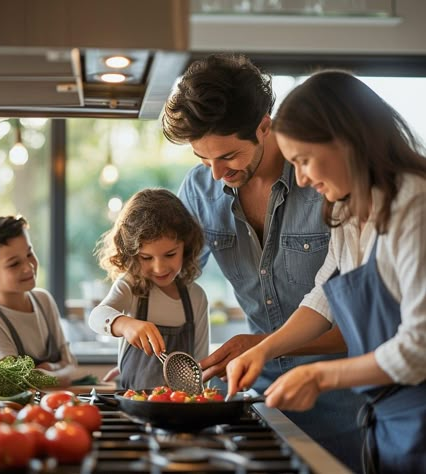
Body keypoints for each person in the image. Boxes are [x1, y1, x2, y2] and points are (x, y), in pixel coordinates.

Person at [162, 53, 365, 471]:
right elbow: (167, 278)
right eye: (203, 159)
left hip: (345, 403)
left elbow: (357, 319)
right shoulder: (200, 189)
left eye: (229, 156)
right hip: (255, 397)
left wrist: (262, 345)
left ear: (264, 126)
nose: (216, 173)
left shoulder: (326, 182)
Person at [226, 70, 426, 474]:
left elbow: (419, 347)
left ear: (346, 141)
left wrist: (320, 376)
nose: (300, 178)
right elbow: (323, 296)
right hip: (390, 422)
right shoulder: (348, 210)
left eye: (303, 160)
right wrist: (264, 349)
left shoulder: (415, 206)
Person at [88, 188, 210, 390]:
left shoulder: (195, 297)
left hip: (182, 409)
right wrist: (125, 325)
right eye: (147, 258)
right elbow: (96, 317)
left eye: (170, 255)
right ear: (131, 254)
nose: (159, 267)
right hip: (134, 407)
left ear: (186, 247)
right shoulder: (131, 286)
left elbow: (201, 366)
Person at [0, 215, 77, 386]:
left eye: (29, 253)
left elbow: (72, 366)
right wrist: (58, 370)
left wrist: (48, 370)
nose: (28, 266)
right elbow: (18, 383)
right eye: (14, 264)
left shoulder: (44, 300)